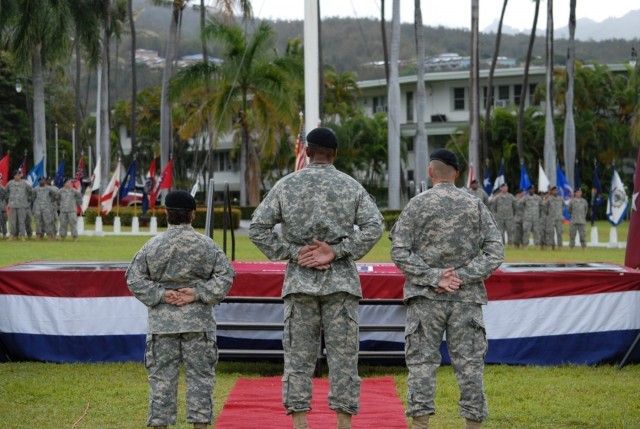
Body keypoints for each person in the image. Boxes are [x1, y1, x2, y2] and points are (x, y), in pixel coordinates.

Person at [248, 127, 384, 429]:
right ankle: (343, 424)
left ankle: (300, 423)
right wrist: (336, 251)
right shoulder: (350, 186)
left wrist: (296, 254)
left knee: (297, 358)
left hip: (300, 283)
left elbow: (257, 228)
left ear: (307, 152)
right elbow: (375, 226)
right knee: (344, 358)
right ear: (334, 153)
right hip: (341, 285)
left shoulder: (287, 185)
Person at [390, 148, 504, 429]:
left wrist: (435, 277)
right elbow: (495, 252)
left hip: (425, 299)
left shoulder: (417, 204)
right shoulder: (475, 204)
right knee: (469, 367)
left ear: (430, 171)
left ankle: (420, 425)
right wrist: (461, 276)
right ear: (457, 173)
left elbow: (399, 250)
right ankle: (472, 425)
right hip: (466, 299)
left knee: (421, 365)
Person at [126, 190, 235, 429]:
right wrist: (198, 293)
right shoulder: (207, 246)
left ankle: (160, 425)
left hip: (163, 325)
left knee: (162, 380)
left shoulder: (152, 246)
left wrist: (161, 295)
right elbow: (226, 276)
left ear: (166, 214)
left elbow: (133, 278)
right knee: (200, 378)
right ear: (193, 214)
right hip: (198, 324)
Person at [6, 169, 33, 241]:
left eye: (19, 175)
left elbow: (30, 191)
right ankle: (13, 235)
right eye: (16, 175)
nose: (18, 176)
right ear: (14, 176)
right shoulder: (10, 183)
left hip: (22, 205)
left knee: (21, 221)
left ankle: (22, 236)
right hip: (12, 205)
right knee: (13, 221)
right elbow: (6, 192)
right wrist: (9, 201)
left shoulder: (25, 183)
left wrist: (28, 199)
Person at [544, 186, 565, 250]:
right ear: (552, 192)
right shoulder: (549, 199)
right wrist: (550, 215)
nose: (555, 191)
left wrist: (560, 214)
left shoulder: (561, 199)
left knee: (559, 232)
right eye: (554, 190)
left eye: (556, 190)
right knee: (550, 232)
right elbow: (545, 209)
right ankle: (550, 246)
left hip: (559, 219)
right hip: (551, 218)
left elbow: (563, 207)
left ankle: (560, 246)